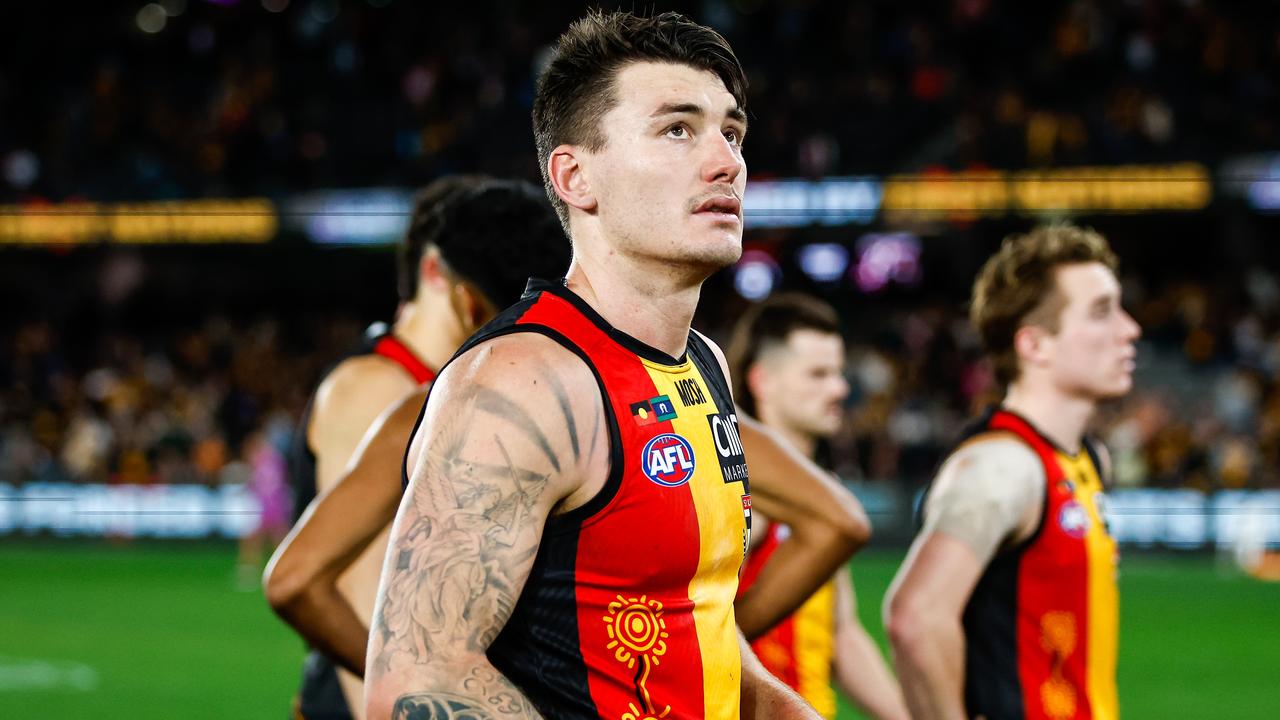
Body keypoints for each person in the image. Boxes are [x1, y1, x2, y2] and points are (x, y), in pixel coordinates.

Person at [364, 10, 837, 719]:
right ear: (576, 176)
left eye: (731, 132)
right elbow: (416, 682)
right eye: (678, 129)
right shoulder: (522, 382)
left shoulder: (703, 364)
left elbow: (699, 622)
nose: (726, 161)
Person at [275, 176, 573, 720]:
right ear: (443, 279)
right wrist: (433, 694)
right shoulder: (378, 392)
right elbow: (361, 603)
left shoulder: (460, 390)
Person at [884, 225, 1140, 720]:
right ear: (1035, 345)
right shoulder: (1002, 467)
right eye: (1102, 312)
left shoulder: (1086, 458)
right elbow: (915, 616)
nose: (1130, 329)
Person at [727, 294, 909, 720]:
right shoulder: (743, 497)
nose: (840, 389)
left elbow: (841, 636)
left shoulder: (818, 500)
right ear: (762, 381)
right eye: (818, 374)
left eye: (839, 373)